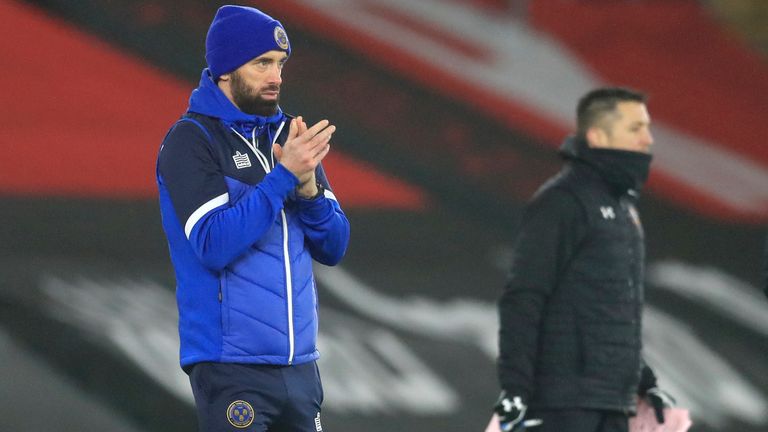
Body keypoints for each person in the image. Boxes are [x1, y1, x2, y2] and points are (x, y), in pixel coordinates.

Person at [156, 5, 350, 431]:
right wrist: (283, 177)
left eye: (280, 64)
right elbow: (213, 245)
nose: (276, 76)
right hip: (230, 367)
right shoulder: (192, 140)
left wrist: (310, 192)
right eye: (262, 63)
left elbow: (334, 247)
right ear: (225, 69)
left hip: (301, 368)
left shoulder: (288, 138)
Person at [494, 87, 673, 432]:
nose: (648, 139)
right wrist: (516, 388)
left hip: (611, 401)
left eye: (647, 128)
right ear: (598, 135)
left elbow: (610, 310)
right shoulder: (562, 201)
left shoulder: (624, 209)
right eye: (635, 129)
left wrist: (643, 380)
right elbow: (524, 295)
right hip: (562, 402)